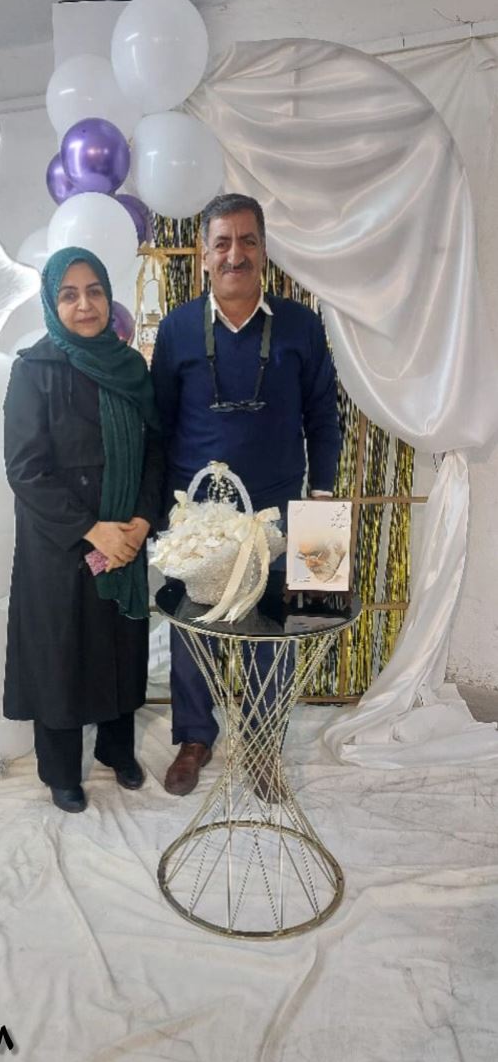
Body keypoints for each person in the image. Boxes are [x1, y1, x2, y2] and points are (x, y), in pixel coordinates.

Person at [151, 193, 341, 796]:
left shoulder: (302, 325)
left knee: (280, 632)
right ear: (205, 255)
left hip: (284, 513)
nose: (236, 254)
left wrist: (322, 501)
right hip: (199, 519)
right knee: (193, 631)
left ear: (263, 250)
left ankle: (262, 743)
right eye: (223, 243)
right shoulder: (178, 329)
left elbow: (323, 415)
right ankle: (194, 738)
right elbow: (160, 423)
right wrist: (162, 516)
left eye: (248, 241)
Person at [3, 246, 163, 813]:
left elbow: (154, 450)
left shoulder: (130, 367)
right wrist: (93, 530)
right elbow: (25, 469)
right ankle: (61, 771)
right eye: (69, 294)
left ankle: (116, 749)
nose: (85, 304)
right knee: (61, 652)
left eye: (94, 290)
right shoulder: (34, 370)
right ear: (52, 303)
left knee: (120, 643)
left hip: (125, 533)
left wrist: (140, 521)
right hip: (60, 542)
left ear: (108, 296)